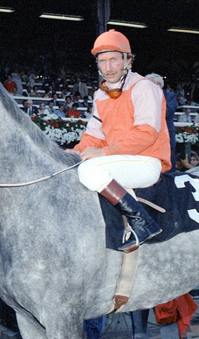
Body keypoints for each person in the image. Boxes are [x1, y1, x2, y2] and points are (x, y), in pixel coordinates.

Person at [69, 29, 168, 253]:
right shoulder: (100, 95)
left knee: (88, 171)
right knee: (76, 166)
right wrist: (75, 152)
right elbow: (93, 136)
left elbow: (146, 133)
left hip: (147, 161)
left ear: (128, 60)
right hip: (119, 162)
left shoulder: (144, 88)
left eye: (113, 60)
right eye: (102, 61)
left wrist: (103, 153)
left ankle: (142, 223)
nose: (108, 67)